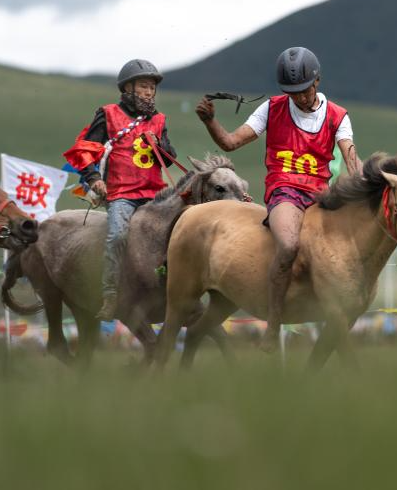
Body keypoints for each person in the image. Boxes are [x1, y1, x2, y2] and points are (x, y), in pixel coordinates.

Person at [195, 47, 362, 352]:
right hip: (284, 190)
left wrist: (366, 184)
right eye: (292, 92)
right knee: (288, 245)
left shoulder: (338, 116)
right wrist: (210, 122)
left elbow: (351, 159)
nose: (299, 98)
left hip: (320, 195)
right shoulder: (271, 109)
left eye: (304, 90)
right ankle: (272, 326)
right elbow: (230, 143)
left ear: (317, 81)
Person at [63, 59, 175, 321]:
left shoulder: (159, 120)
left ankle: (170, 289)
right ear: (128, 88)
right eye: (144, 86)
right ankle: (111, 293)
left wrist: (160, 145)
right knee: (117, 237)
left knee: (177, 236)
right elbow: (84, 150)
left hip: (155, 194)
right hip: (122, 194)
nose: (149, 92)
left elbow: (169, 158)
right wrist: (93, 179)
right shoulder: (108, 114)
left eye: (152, 88)